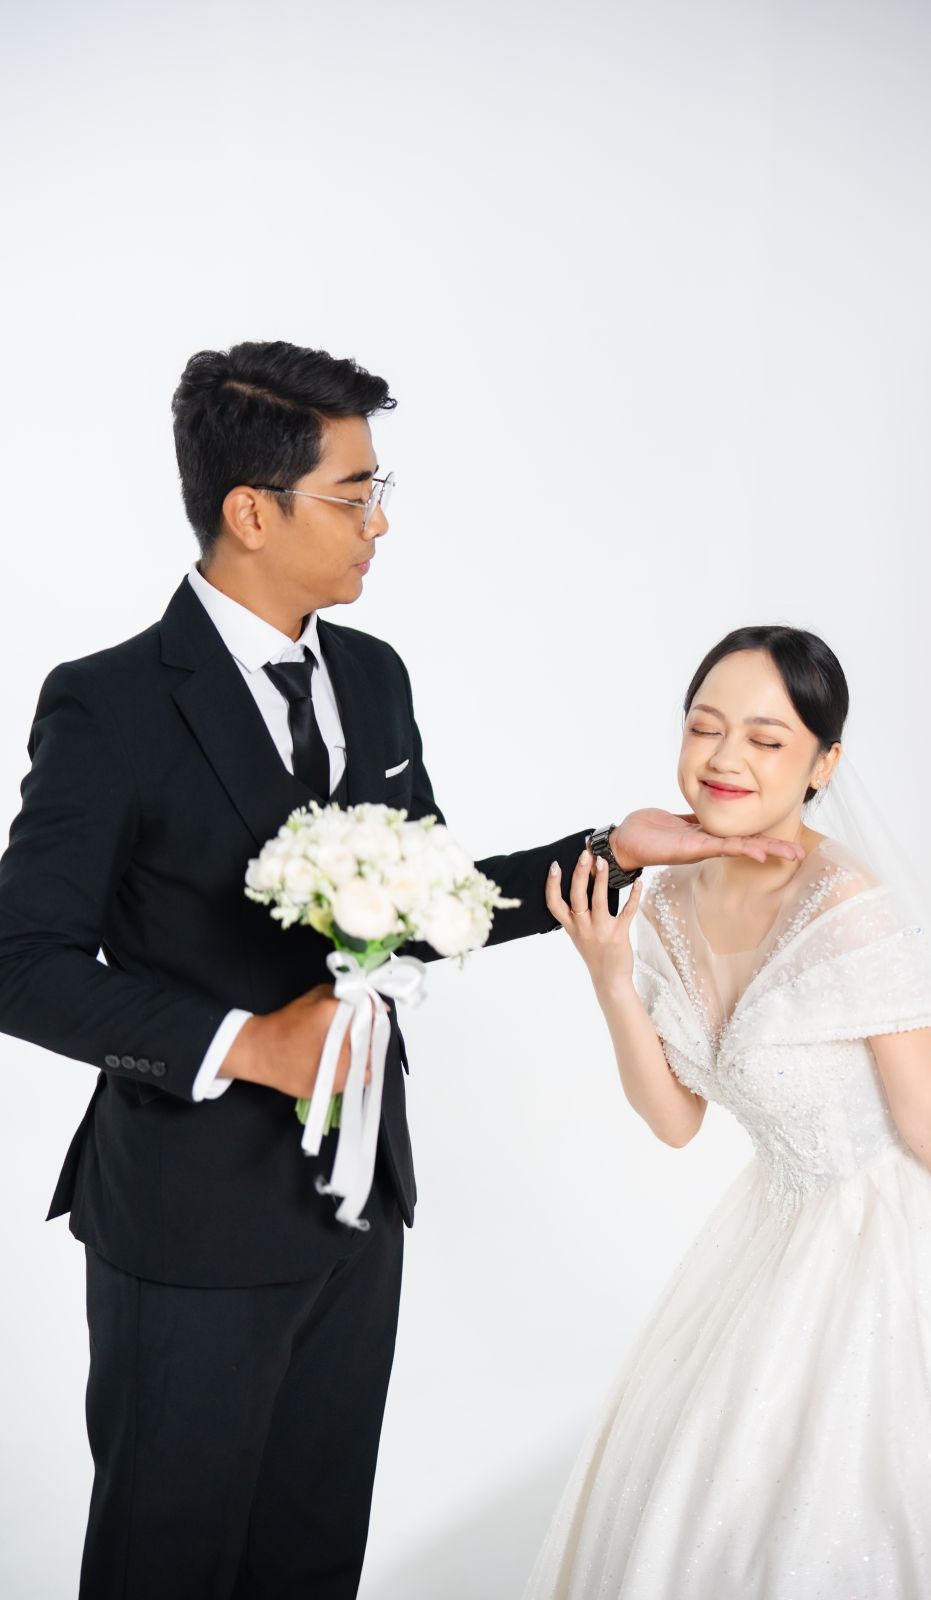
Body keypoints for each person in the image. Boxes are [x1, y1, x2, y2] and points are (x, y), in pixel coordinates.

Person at [0, 344, 804, 1600]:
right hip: (187, 1219)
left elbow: (424, 903)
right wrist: (243, 1043)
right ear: (251, 511)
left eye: (380, 488)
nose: (380, 521)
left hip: (359, 1205)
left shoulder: (372, 677)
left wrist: (608, 850)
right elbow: (21, 961)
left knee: (313, 1561)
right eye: (353, 493)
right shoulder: (108, 704)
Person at [527, 624, 931, 1599]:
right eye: (704, 727)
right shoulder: (668, 897)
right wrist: (608, 975)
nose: (724, 758)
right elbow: (675, 1120)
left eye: (765, 739)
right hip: (771, 1232)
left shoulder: (845, 901)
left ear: (822, 763)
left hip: (899, 1241)